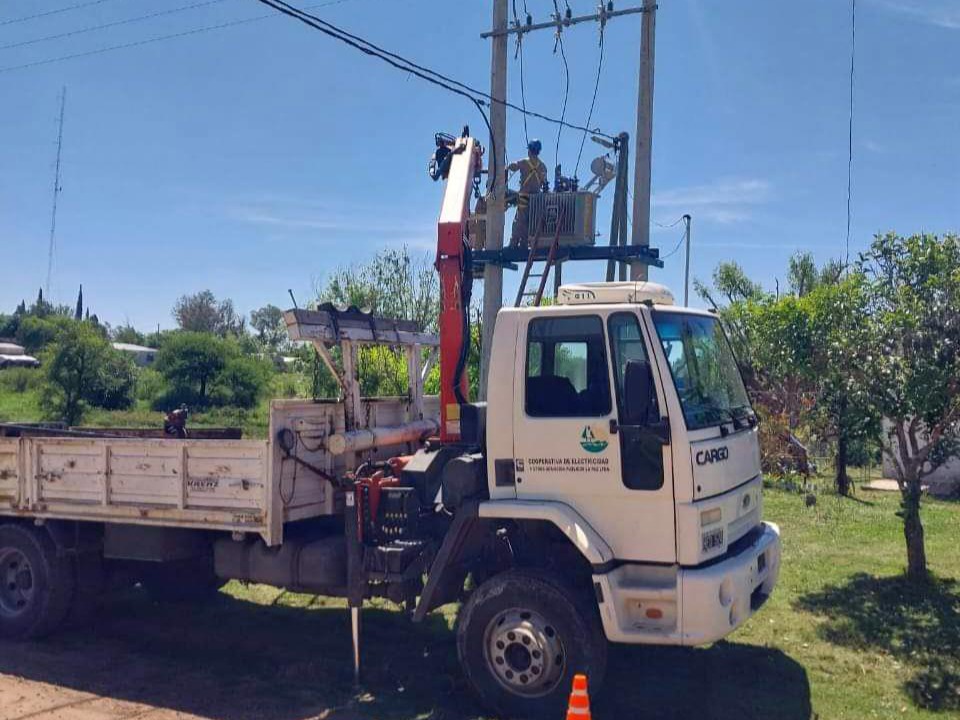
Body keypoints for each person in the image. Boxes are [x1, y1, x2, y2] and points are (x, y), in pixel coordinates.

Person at [507, 139, 548, 248]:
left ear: (530, 150)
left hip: (524, 196)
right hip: (536, 198)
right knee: (531, 220)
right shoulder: (543, 166)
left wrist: (507, 165)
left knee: (520, 219)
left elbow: (513, 166)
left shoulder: (525, 162)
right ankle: (524, 243)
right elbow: (544, 182)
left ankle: (514, 243)